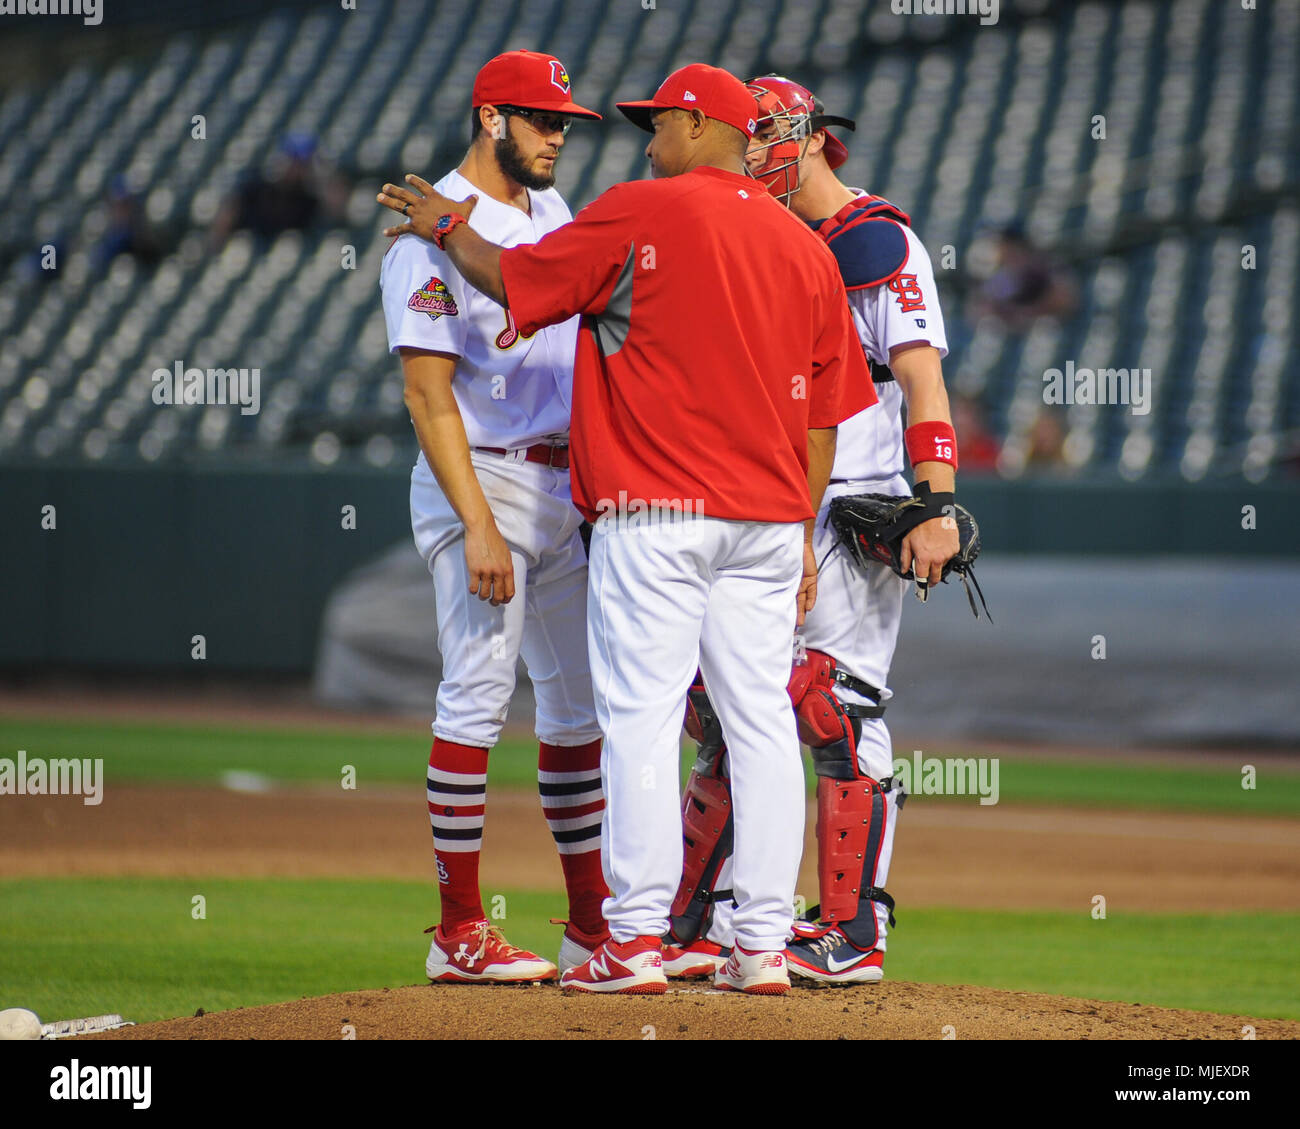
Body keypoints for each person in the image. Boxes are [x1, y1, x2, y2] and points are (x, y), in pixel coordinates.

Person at [378, 63, 876, 996]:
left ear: (696, 122)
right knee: (761, 721)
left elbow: (517, 276)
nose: (644, 139)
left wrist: (448, 225)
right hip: (770, 523)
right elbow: (828, 419)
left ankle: (631, 938)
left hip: (657, 513)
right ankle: (762, 945)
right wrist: (805, 535)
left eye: (659, 123)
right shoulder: (807, 245)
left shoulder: (636, 209)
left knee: (639, 718)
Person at [664, 75, 963, 985]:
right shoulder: (772, 240)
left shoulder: (878, 240)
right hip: (772, 500)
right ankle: (692, 923)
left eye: (759, 141)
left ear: (804, 137)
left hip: (859, 504)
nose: (748, 159)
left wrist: (937, 502)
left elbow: (921, 379)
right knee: (722, 706)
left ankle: (850, 931)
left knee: (838, 707)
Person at [378, 50, 609, 985]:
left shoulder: (548, 211)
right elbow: (428, 395)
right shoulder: (420, 238)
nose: (557, 134)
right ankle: (458, 930)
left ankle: (595, 928)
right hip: (484, 480)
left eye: (563, 121)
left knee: (579, 708)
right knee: (477, 694)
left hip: (563, 488)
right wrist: (475, 522)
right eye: (539, 118)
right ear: (488, 118)